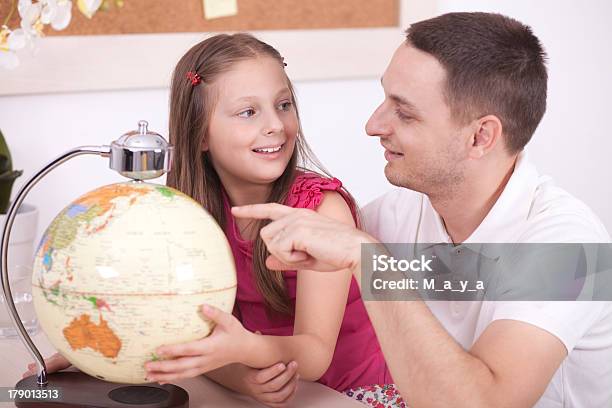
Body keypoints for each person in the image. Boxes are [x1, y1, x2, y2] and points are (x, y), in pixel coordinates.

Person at [232, 12, 612, 408]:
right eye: (384, 99)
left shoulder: (572, 248)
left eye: (405, 112)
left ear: (481, 136)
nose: (373, 125)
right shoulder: (393, 217)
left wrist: (369, 261)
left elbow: (482, 403)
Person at [24, 33, 400, 407]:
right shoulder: (189, 216)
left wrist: (245, 351)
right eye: (248, 112)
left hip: (356, 394)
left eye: (283, 104)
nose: (276, 124)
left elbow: (315, 356)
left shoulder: (320, 210)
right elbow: (193, 334)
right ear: (201, 133)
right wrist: (98, 354)